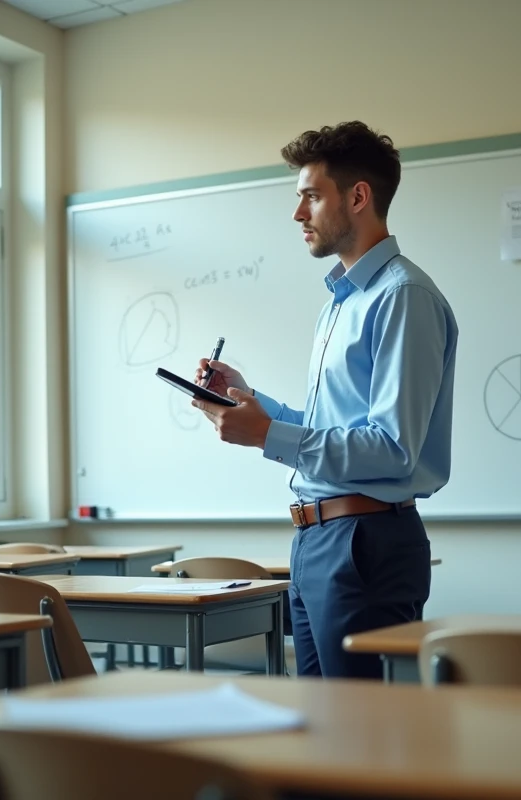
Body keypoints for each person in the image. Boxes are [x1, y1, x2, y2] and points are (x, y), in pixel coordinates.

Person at [191, 121, 458, 679]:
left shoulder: (402, 297)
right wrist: (250, 401)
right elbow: (324, 428)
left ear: (358, 196)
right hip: (315, 540)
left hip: (365, 541)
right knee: (320, 727)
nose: (298, 214)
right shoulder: (340, 303)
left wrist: (266, 434)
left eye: (311, 197)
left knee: (361, 740)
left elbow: (390, 450)